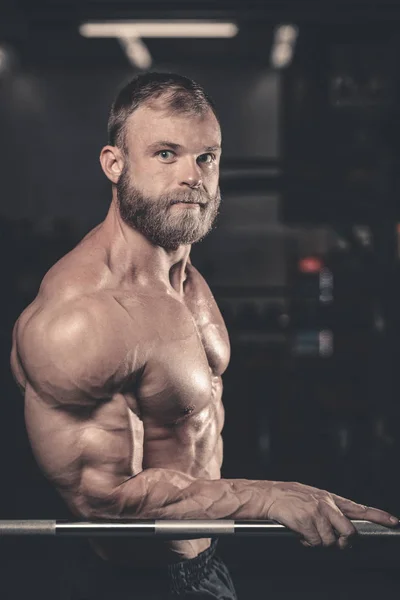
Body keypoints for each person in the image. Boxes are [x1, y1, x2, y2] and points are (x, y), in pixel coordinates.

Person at [10, 72, 398, 599]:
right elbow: (99, 501)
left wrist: (293, 494)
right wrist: (266, 499)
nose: (193, 175)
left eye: (206, 157)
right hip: (128, 583)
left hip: (204, 565)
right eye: (166, 154)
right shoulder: (83, 318)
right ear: (114, 164)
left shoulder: (186, 281)